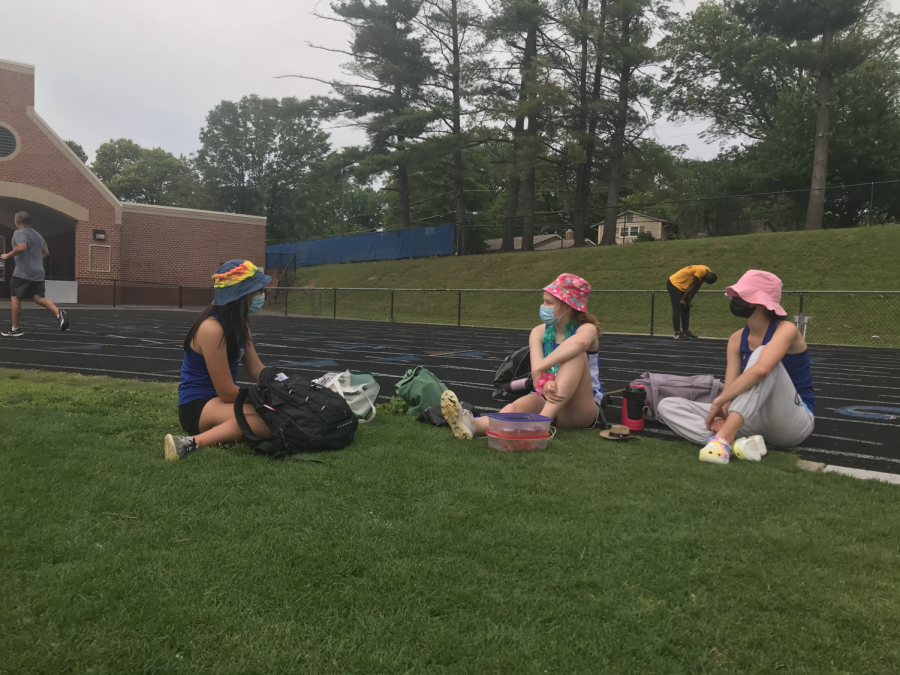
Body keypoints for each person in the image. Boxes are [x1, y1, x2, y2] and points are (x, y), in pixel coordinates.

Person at [656, 270, 815, 465]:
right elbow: (730, 387)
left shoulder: (786, 329)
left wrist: (717, 402)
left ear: (761, 301)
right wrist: (722, 412)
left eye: (742, 294)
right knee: (668, 405)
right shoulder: (736, 338)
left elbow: (762, 370)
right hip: (752, 419)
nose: (735, 298)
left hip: (792, 422)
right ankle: (742, 443)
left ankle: (722, 440)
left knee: (761, 357)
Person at [442, 273, 604, 439]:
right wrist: (544, 382)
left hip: (578, 408)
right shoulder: (539, 332)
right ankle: (472, 424)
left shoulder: (586, 329)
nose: (543, 306)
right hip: (545, 396)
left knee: (576, 355)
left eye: (549, 302)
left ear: (567, 307)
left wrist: (541, 368)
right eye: (544, 301)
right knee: (515, 408)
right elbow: (536, 377)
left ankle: (542, 423)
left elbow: (579, 343)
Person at [164, 259, 273, 460]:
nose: (260, 296)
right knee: (268, 421)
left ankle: (214, 433)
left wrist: (281, 386)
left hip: (221, 402)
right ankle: (190, 443)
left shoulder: (241, 324)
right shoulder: (211, 329)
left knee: (274, 415)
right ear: (242, 295)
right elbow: (226, 392)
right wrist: (265, 398)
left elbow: (256, 368)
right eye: (256, 291)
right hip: (198, 404)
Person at [1, 211, 69, 337]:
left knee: (15, 297)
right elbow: (46, 252)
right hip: (38, 271)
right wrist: (35, 261)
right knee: (38, 298)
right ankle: (59, 313)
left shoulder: (19, 232)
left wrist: (7, 255)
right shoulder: (38, 235)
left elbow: (21, 247)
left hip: (22, 272)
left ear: (17, 221)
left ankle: (15, 329)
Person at [667, 264, 716, 340]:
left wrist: (689, 301)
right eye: (706, 281)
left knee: (686, 308)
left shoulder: (707, 271)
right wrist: (683, 299)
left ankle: (685, 331)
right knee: (678, 308)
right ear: (707, 277)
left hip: (683, 287)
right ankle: (677, 333)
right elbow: (693, 285)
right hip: (675, 284)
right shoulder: (701, 271)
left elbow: (697, 287)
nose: (704, 282)